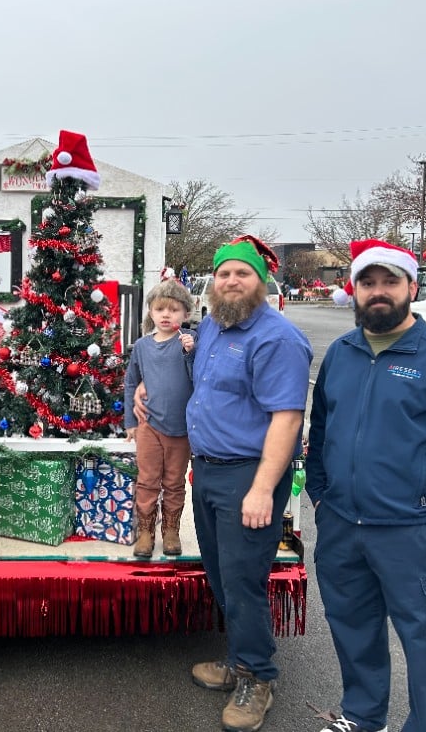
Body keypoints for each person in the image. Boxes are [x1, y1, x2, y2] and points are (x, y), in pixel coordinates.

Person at [306, 239, 426, 732]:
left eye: (390, 281)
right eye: (368, 283)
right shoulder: (342, 354)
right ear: (355, 290)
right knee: (353, 630)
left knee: (425, 644)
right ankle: (364, 717)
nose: (378, 292)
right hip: (343, 525)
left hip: (413, 531)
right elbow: (322, 427)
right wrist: (322, 495)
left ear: (412, 286)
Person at [136, 239, 312, 732]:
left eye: (243, 274)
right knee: (219, 574)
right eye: (224, 273)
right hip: (208, 470)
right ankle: (238, 658)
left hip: (247, 477)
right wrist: (149, 384)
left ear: (262, 282)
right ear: (212, 281)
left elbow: (286, 418)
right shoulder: (213, 325)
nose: (231, 281)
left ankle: (258, 677)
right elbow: (194, 376)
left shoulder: (276, 339)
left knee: (243, 581)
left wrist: (262, 489)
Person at [123, 279, 196, 558]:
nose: (166, 315)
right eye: (160, 309)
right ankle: (145, 531)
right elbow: (132, 382)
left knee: (175, 482)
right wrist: (131, 421)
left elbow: (198, 375)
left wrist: (191, 351)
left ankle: (171, 531)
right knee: (147, 479)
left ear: (185, 314)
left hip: (180, 428)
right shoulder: (142, 346)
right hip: (149, 425)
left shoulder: (189, 342)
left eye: (174, 309)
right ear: (151, 312)